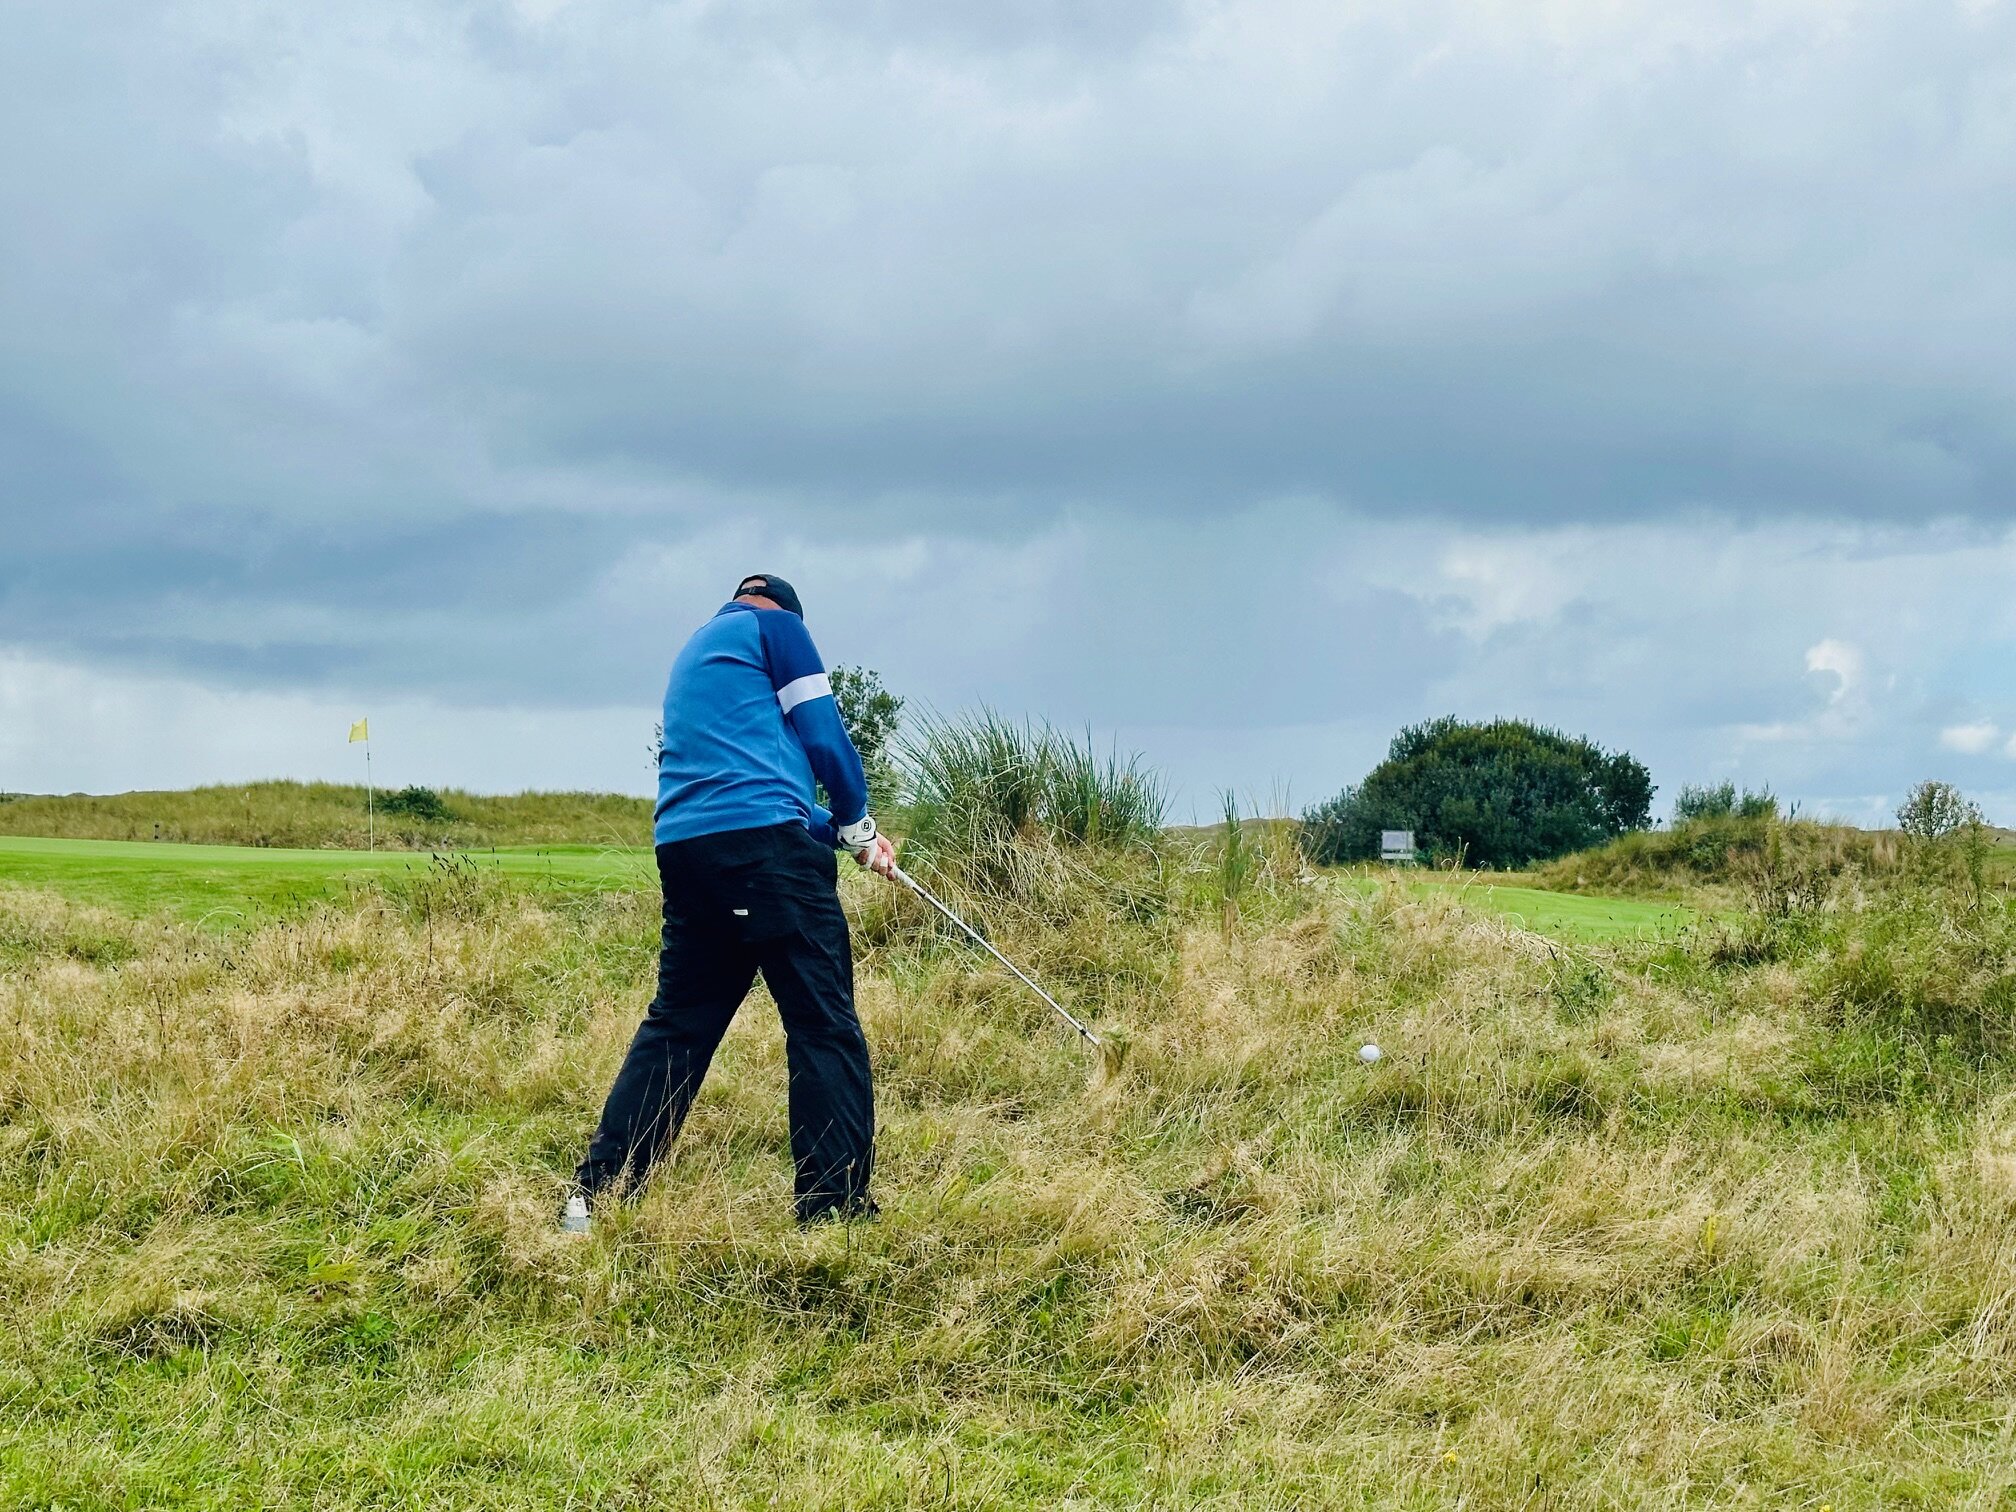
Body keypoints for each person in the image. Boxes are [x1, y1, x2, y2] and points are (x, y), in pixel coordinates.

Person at [565, 573, 897, 1233]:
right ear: (785, 611)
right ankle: (834, 1213)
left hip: (690, 853)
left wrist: (845, 836)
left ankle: (594, 1199)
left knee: (679, 1028)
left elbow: (759, 785)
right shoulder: (779, 629)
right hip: (764, 852)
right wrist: (858, 818)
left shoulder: (697, 651)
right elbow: (823, 737)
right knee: (823, 1026)